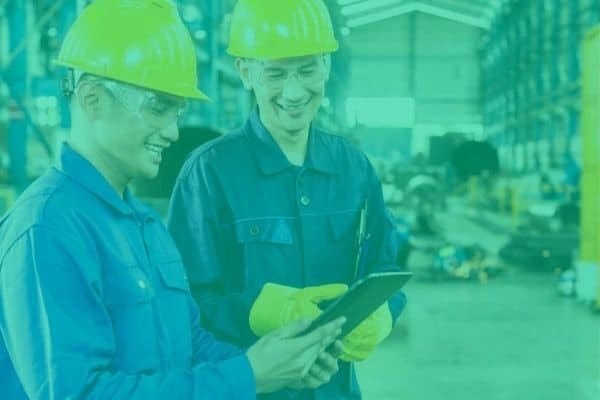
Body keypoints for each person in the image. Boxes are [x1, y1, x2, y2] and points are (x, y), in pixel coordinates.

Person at [0, 1, 344, 398]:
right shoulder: (47, 228)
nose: (173, 132)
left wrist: (277, 361)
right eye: (159, 108)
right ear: (93, 98)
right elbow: (79, 393)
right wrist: (247, 376)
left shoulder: (144, 225)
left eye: (177, 112)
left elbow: (191, 346)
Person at [167, 0, 407, 398]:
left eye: (307, 70)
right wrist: (261, 313)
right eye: (275, 73)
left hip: (336, 390)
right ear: (245, 72)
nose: (294, 92)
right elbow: (183, 303)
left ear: (327, 67)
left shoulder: (353, 167)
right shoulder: (209, 173)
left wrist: (382, 313)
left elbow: (384, 268)